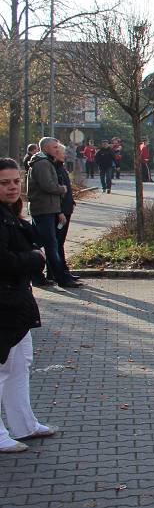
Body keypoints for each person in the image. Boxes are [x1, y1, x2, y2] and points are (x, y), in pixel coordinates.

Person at [0, 157, 57, 452]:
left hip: (16, 302)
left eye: (15, 181)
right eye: (4, 183)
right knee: (3, 368)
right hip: (5, 303)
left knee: (21, 364)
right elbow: (4, 262)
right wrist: (35, 258)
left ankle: (24, 423)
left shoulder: (10, 214)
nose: (12, 187)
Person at [24, 138, 79, 289]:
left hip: (47, 208)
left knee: (41, 243)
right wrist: (62, 189)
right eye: (55, 147)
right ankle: (60, 278)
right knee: (50, 245)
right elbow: (48, 185)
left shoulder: (45, 162)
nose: (57, 149)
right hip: (44, 209)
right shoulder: (42, 163)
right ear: (46, 148)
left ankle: (40, 277)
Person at [52, 147, 78, 284]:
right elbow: (57, 193)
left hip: (67, 209)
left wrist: (71, 201)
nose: (65, 155)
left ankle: (63, 271)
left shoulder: (61, 167)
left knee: (59, 243)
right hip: (61, 212)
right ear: (56, 154)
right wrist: (60, 211)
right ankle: (60, 273)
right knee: (58, 243)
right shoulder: (54, 168)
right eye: (63, 153)